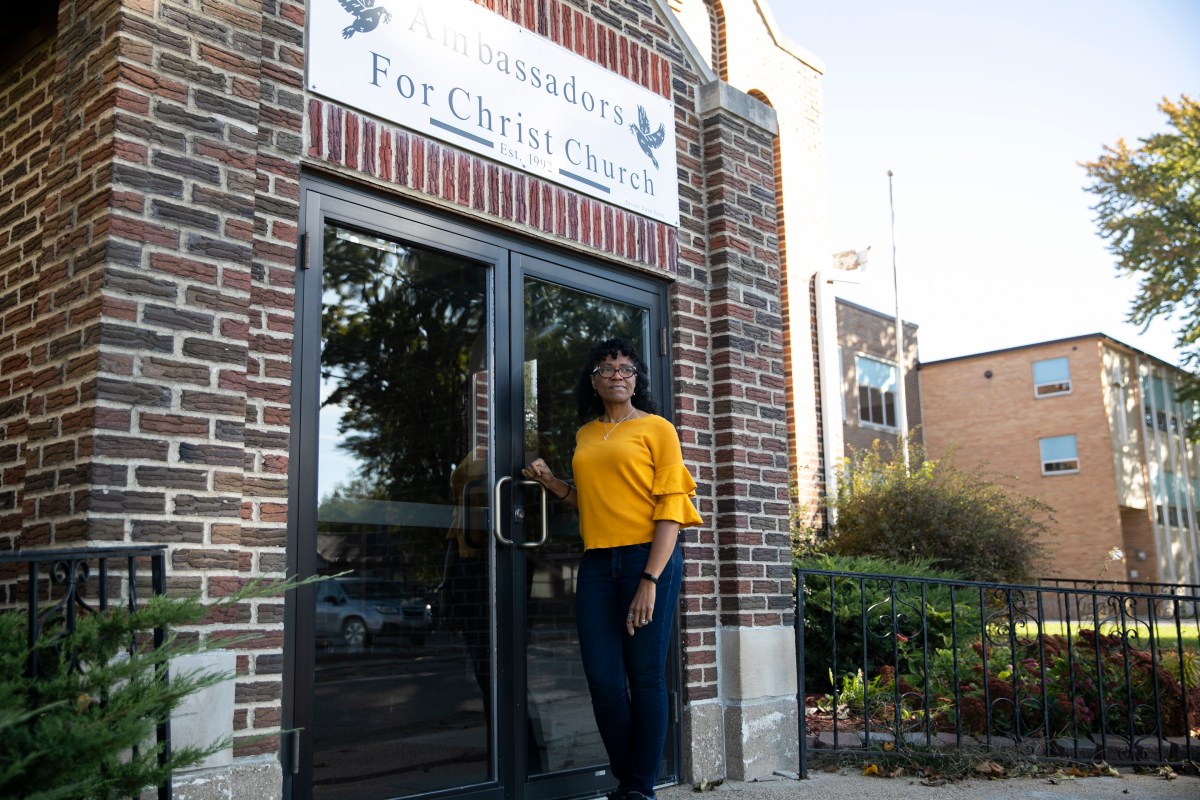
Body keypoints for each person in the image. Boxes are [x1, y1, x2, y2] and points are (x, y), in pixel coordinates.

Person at [522, 337, 703, 800]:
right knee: (602, 678)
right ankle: (631, 777)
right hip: (598, 562)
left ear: (636, 379)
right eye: (607, 369)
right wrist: (550, 483)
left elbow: (671, 509)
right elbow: (592, 499)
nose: (618, 376)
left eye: (626, 369)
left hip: (649, 557)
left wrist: (650, 579)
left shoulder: (657, 429)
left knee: (644, 675)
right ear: (594, 381)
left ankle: (637, 788)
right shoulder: (585, 434)